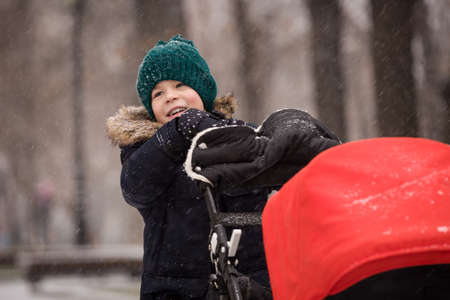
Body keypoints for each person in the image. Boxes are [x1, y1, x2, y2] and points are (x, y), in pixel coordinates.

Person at [106, 34, 339, 300]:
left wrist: (295, 138)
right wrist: (176, 134)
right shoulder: (147, 148)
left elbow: (291, 174)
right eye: (158, 93)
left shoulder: (239, 137)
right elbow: (135, 187)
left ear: (202, 91)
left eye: (180, 85)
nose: (170, 96)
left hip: (251, 284)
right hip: (176, 290)